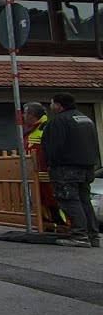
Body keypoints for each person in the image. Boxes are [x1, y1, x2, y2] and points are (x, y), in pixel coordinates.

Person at [41, 93, 101, 248]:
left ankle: (79, 235)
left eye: (52, 103)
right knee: (84, 201)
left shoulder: (58, 121)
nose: (50, 106)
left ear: (59, 105)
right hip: (87, 167)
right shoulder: (85, 119)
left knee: (69, 201)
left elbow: (54, 146)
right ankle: (92, 236)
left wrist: (50, 164)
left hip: (66, 168)